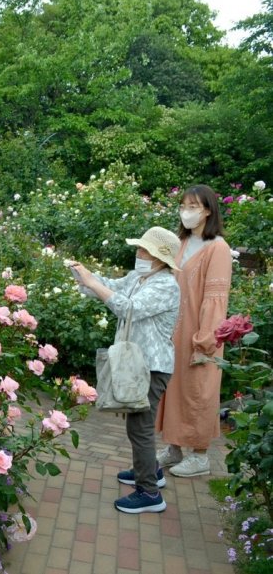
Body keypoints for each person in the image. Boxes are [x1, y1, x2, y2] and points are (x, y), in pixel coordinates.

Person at [70, 226, 181, 514]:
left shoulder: (166, 285)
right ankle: (150, 471)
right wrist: (84, 275)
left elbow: (128, 308)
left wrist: (94, 285)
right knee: (137, 425)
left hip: (152, 367)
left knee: (140, 428)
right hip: (139, 364)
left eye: (144, 249)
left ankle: (149, 493)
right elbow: (111, 287)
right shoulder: (140, 277)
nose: (138, 252)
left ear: (159, 257)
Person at [156, 185, 232, 478]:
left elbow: (215, 300)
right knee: (174, 389)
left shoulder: (218, 248)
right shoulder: (183, 242)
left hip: (202, 335)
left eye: (194, 206)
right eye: (184, 205)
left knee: (198, 392)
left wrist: (205, 341)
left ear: (208, 210)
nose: (187, 211)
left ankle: (200, 456)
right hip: (175, 331)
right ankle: (174, 448)